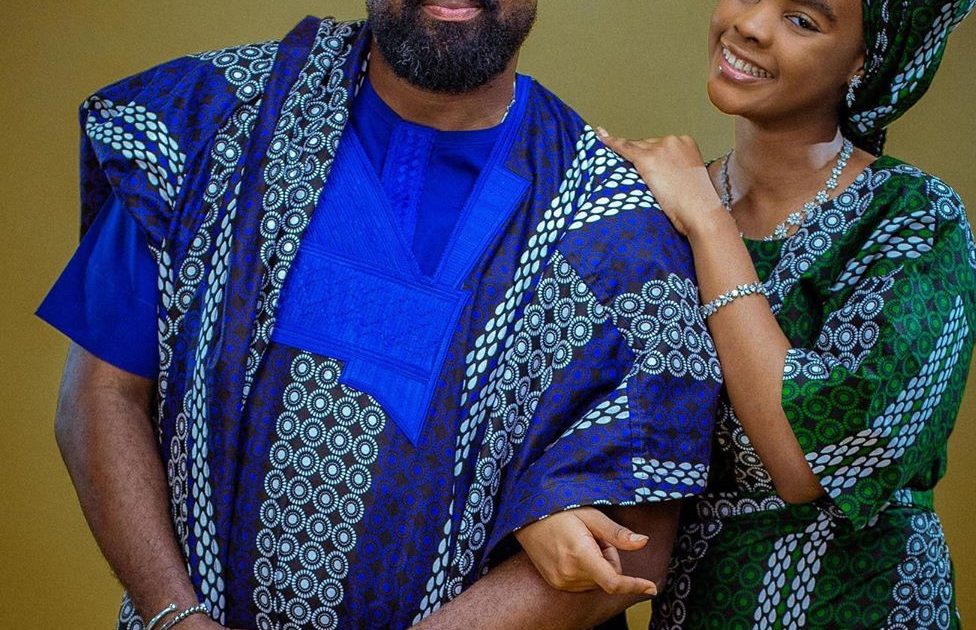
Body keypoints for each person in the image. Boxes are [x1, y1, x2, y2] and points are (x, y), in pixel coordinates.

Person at [36, 2, 724, 628]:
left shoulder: (617, 232)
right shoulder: (209, 124)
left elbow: (635, 544)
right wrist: (175, 617)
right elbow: (101, 394)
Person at [514, 0, 976, 627]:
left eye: (802, 20)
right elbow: (550, 408)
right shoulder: (648, 207)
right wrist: (542, 508)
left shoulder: (915, 222)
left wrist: (709, 223)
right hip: (698, 606)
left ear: (863, 62)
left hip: (859, 603)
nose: (750, 26)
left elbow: (805, 462)